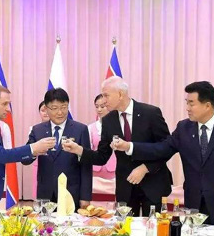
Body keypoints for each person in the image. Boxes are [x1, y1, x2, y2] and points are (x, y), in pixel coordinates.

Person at [111, 81, 214, 225]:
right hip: (194, 203)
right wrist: (129, 146)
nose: (187, 108)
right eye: (186, 103)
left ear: (207, 105)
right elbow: (162, 149)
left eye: (191, 104)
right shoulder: (184, 128)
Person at [62, 77, 172, 217]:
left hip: (153, 185)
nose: (103, 100)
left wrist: (145, 168)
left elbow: (167, 148)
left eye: (106, 95)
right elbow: (101, 156)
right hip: (126, 189)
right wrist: (78, 149)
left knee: (152, 227)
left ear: (120, 94)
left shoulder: (150, 113)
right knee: (124, 228)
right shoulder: (108, 120)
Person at [22, 88, 92, 206]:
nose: (60, 112)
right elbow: (25, 160)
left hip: (71, 193)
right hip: (45, 193)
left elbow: (86, 165)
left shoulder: (80, 129)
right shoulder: (38, 130)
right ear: (46, 109)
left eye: (64, 107)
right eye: (55, 108)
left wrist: (85, 197)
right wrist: (35, 150)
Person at [88, 94, 116, 196]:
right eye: (97, 106)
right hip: (95, 173)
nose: (99, 110)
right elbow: (88, 150)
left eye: (102, 106)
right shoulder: (90, 128)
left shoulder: (117, 127)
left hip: (114, 173)